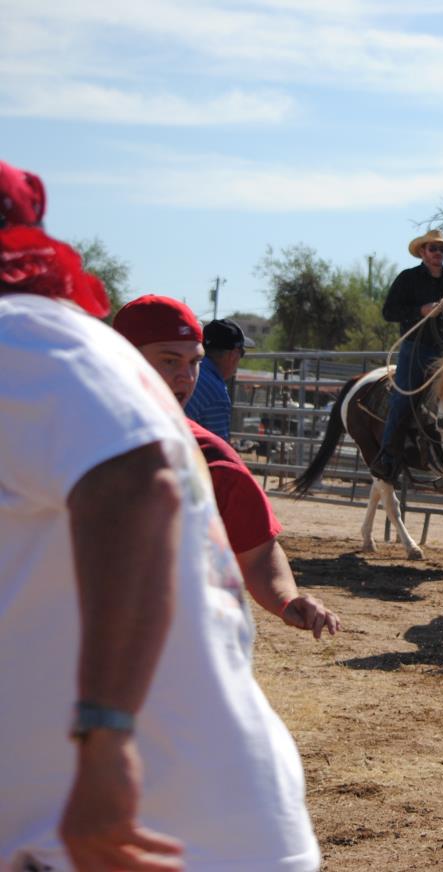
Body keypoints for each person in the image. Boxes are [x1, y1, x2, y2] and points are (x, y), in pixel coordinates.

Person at [0, 160, 319, 870]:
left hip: (156, 829)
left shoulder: (19, 335)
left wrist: (106, 736)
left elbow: (143, 488)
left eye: (193, 361)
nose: (185, 375)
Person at [115, 294, 342, 639]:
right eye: (169, 361)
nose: (186, 377)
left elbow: (257, 551)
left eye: (194, 363)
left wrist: (286, 597)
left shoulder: (210, 459)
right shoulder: (57, 438)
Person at [370, 228, 443, 482]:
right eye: (433, 248)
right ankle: (387, 456)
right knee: (404, 398)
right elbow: (389, 312)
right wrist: (421, 310)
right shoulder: (408, 278)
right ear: (423, 252)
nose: (438, 253)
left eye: (442, 249)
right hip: (416, 348)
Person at [184, 316, 252, 441]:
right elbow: (218, 454)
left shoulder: (186, 371)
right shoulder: (217, 394)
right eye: (242, 353)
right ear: (233, 355)